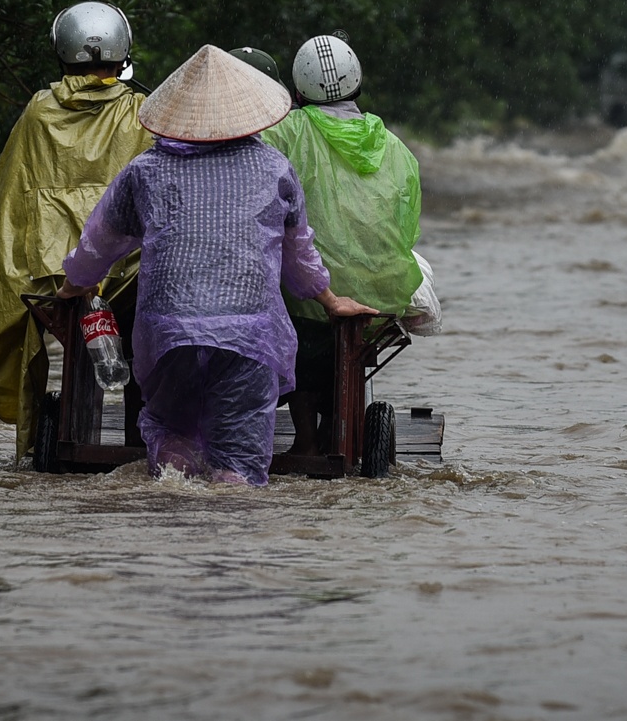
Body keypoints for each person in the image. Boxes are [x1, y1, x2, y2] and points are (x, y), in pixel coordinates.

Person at [56, 45, 375, 483]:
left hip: (169, 331)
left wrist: (75, 284)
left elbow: (100, 243)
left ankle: (172, 526)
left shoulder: (146, 170)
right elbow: (298, 256)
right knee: (238, 468)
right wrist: (329, 299)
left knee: (172, 440)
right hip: (249, 335)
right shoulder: (274, 168)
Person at [0, 2, 153, 458]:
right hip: (128, 276)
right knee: (140, 348)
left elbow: (9, 195)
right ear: (123, 51)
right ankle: (142, 447)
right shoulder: (143, 111)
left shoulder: (38, 111)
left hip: (52, 279)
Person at [260, 33, 424, 456]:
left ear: (297, 92)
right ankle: (339, 424)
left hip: (315, 301)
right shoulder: (398, 149)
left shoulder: (284, 132)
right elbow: (407, 233)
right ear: (357, 85)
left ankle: (306, 438)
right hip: (382, 298)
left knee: (288, 284)